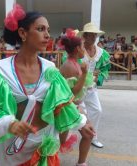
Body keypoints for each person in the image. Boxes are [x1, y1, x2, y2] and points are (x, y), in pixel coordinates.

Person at [0, 4, 93, 166]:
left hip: (40, 147)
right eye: (40, 29)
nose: (47, 35)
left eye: (48, 30)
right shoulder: (0, 71)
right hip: (9, 150)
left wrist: (82, 122)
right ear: (22, 33)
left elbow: (62, 106)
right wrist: (9, 124)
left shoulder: (50, 69)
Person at [59, 29, 95, 166]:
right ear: (76, 49)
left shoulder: (75, 63)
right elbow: (72, 93)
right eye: (82, 46)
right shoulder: (69, 66)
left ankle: (81, 163)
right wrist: (85, 74)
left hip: (75, 106)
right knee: (88, 134)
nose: (84, 49)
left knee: (61, 139)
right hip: (68, 107)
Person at [78, 22, 111, 148]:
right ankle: (63, 137)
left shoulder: (102, 53)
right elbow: (69, 62)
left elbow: (105, 69)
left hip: (91, 88)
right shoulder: (78, 50)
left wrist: (99, 77)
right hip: (77, 88)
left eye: (95, 35)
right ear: (85, 36)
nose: (93, 38)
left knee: (97, 110)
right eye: (91, 35)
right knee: (78, 113)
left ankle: (92, 136)